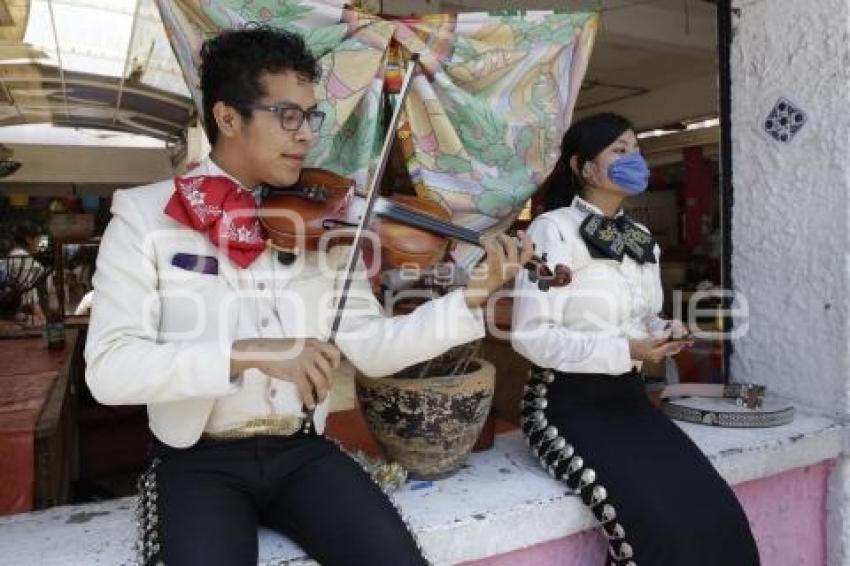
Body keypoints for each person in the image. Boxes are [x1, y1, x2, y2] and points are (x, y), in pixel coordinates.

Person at [84, 26, 531, 566]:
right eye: (287, 116)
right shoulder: (142, 215)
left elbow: (373, 347)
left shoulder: (325, 219)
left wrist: (471, 299)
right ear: (228, 118)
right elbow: (110, 369)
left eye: (310, 116)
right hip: (197, 459)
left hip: (299, 448)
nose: (305, 135)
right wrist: (253, 351)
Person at [511, 113, 760, 565]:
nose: (635, 160)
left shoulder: (641, 238)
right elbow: (531, 337)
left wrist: (665, 330)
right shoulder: (552, 231)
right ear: (584, 167)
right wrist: (626, 350)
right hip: (566, 404)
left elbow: (641, 317)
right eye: (619, 151)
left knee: (719, 516)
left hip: (628, 399)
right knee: (661, 531)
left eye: (637, 149)